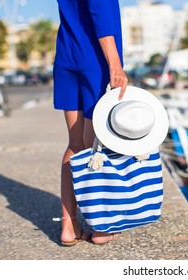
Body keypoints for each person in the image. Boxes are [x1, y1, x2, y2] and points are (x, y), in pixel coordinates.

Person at [53, 0, 128, 246]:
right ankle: (101, 226)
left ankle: (69, 224)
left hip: (66, 54)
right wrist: (114, 63)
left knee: (75, 143)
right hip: (96, 60)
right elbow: (100, 10)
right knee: (97, 144)